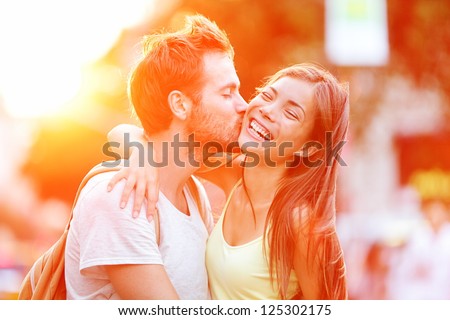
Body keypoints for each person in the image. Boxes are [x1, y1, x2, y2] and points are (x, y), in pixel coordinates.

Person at [108, 63, 349, 299]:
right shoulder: (234, 174)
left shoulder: (301, 221)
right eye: (267, 95)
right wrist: (141, 154)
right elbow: (121, 134)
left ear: (309, 149)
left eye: (290, 113)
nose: (268, 110)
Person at [64, 14, 247, 299]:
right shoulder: (122, 195)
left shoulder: (193, 192)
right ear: (180, 104)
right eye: (227, 93)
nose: (243, 106)